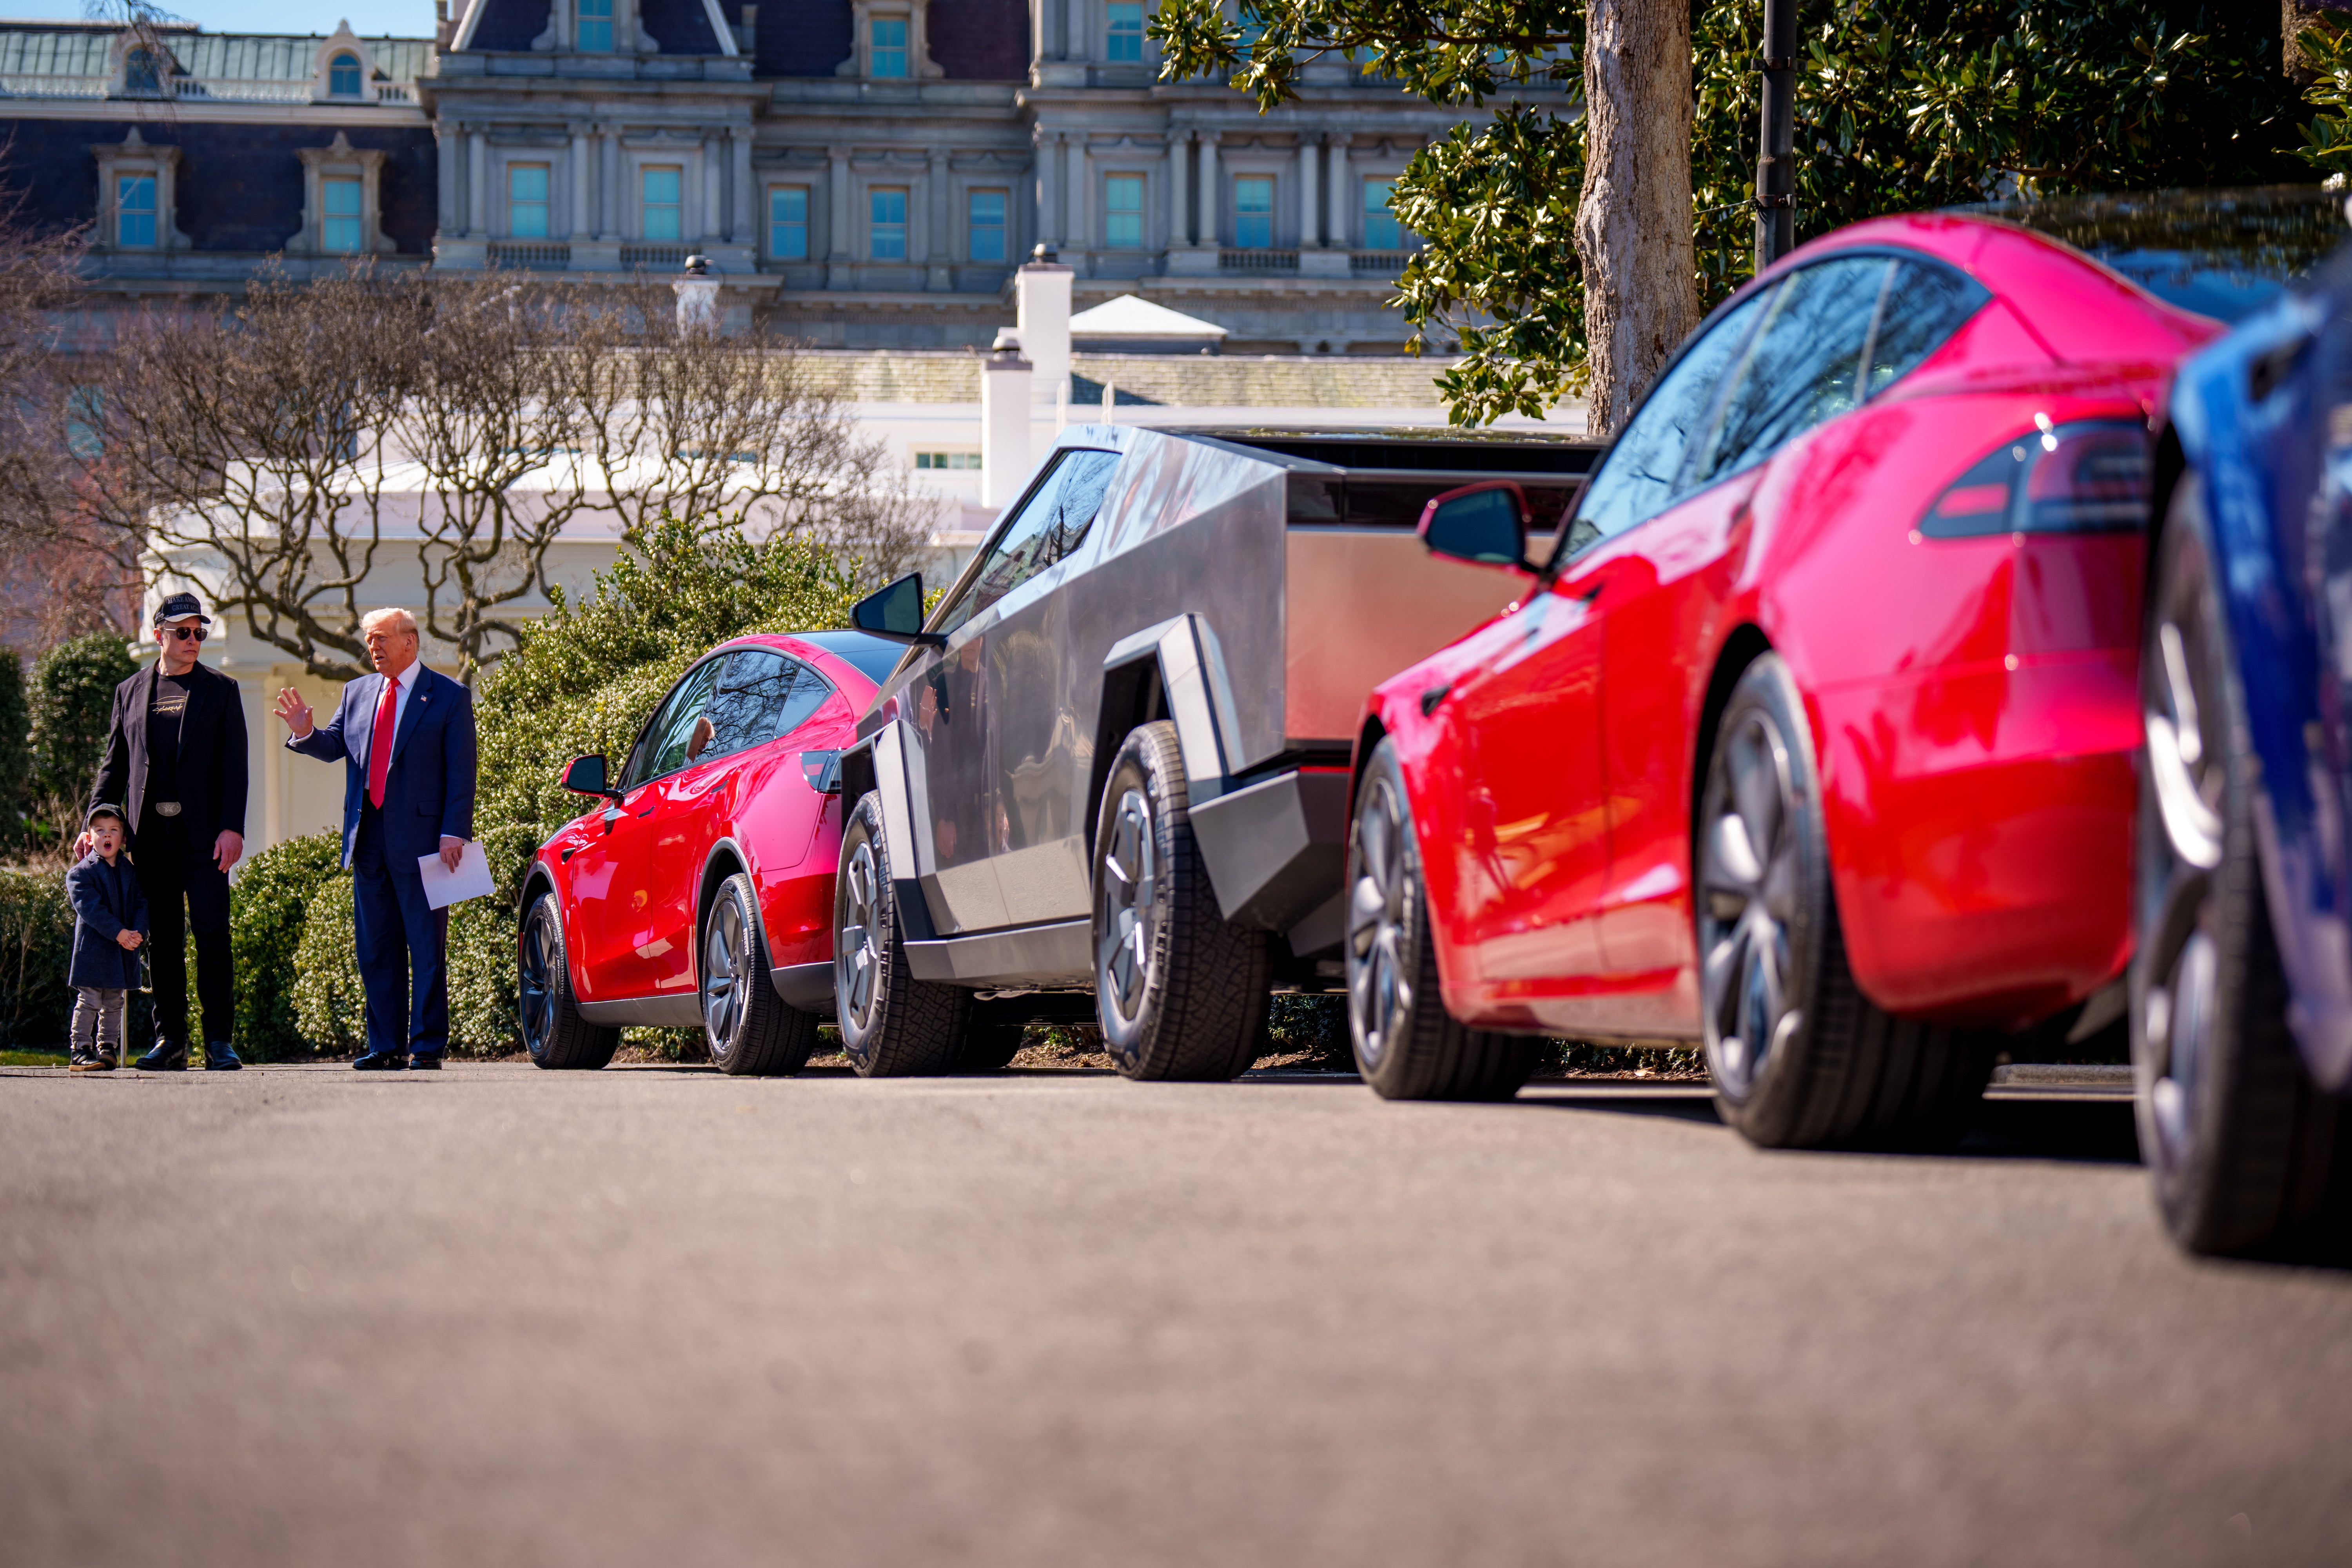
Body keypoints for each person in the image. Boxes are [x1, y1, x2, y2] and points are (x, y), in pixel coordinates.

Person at [273, 608, 476, 1071]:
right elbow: (334, 745)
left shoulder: (447, 696)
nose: (374, 648)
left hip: (427, 843)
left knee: (426, 948)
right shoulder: (357, 692)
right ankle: (385, 1046)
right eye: (369, 640)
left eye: (382, 639)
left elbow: (461, 772)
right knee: (376, 948)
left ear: (411, 642)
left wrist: (453, 832)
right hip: (366, 841)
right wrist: (305, 732)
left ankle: (425, 1047)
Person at [89, 591, 248, 1072]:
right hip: (150, 839)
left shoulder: (222, 690)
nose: (193, 640)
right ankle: (171, 1041)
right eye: (184, 632)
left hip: (205, 840)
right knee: (164, 939)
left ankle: (220, 1041)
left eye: (200, 632)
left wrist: (232, 828)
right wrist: (95, 818)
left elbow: (235, 769)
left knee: (212, 936)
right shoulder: (130, 691)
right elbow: (115, 766)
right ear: (159, 635)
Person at [65, 805, 147, 1073]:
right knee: (90, 1000)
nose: (107, 835)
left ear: (123, 838)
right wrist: (119, 933)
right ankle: (80, 1049)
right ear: (89, 838)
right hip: (93, 951)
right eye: (100, 831)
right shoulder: (81, 874)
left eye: (113, 830)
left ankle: (108, 1048)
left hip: (122, 951)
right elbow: (91, 910)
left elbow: (141, 903)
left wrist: (136, 933)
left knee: (114, 1002)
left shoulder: (131, 872)